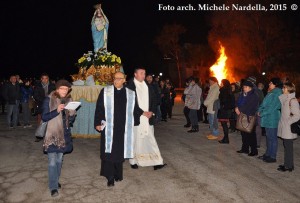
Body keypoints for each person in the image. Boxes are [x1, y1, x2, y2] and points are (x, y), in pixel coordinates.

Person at [94, 72, 142, 187]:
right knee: (109, 152)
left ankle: (118, 174)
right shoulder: (105, 92)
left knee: (119, 152)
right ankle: (110, 177)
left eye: (119, 79)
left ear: (124, 80)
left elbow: (135, 109)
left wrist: (137, 120)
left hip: (123, 128)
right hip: (109, 127)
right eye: (115, 78)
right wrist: (97, 123)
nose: (116, 81)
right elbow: (99, 108)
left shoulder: (130, 94)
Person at [127, 68, 166, 170]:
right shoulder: (130, 86)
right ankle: (133, 161)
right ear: (135, 74)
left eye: (144, 73)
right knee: (135, 140)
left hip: (148, 118)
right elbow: (130, 103)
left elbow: (154, 100)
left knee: (151, 139)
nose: (144, 75)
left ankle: (157, 162)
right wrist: (142, 112)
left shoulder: (148, 86)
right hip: (137, 118)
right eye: (141, 73)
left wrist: (152, 112)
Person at [42, 80, 76, 197]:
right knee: (52, 161)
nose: (64, 91)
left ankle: (55, 180)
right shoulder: (49, 99)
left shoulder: (68, 101)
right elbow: (44, 117)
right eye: (62, 88)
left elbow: (70, 121)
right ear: (57, 89)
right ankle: (53, 187)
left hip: (64, 134)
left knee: (59, 160)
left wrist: (71, 113)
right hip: (52, 134)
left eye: (66, 89)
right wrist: (57, 111)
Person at [257, 78, 282, 163]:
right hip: (268, 117)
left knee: (272, 138)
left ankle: (272, 156)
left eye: (271, 83)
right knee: (268, 137)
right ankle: (268, 154)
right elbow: (264, 104)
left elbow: (272, 107)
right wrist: (259, 110)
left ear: (275, 84)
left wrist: (262, 113)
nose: (269, 84)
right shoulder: (271, 92)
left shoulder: (277, 93)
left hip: (272, 117)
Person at [277, 82, 300, 172]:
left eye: (284, 88)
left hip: (288, 128)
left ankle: (289, 166)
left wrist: (287, 122)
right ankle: (287, 164)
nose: (283, 89)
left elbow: (297, 115)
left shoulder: (293, 101)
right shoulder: (286, 99)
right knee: (286, 146)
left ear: (289, 89)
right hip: (285, 127)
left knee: (288, 147)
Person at [236, 80, 259, 156]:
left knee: (251, 134)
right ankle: (245, 148)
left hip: (250, 116)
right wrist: (236, 108)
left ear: (250, 88)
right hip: (242, 115)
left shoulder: (253, 95)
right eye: (243, 87)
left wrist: (240, 110)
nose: (244, 88)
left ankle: (254, 150)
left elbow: (249, 105)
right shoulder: (243, 94)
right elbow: (238, 102)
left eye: (245, 87)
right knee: (243, 133)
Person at [33, 73, 56, 141]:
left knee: (51, 120)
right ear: (41, 79)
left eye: (46, 78)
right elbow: (35, 95)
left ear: (48, 79)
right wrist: (44, 100)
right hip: (41, 104)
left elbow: (55, 94)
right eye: (43, 78)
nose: (45, 80)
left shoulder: (52, 85)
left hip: (51, 104)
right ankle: (39, 136)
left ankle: (49, 135)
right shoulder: (38, 86)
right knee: (40, 119)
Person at [218, 79, 235, 144]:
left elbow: (223, 100)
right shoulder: (229, 90)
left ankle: (226, 138)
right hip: (228, 110)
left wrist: (222, 106)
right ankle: (225, 138)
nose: (220, 84)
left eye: (221, 82)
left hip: (224, 110)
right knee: (224, 124)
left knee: (224, 124)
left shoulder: (223, 90)